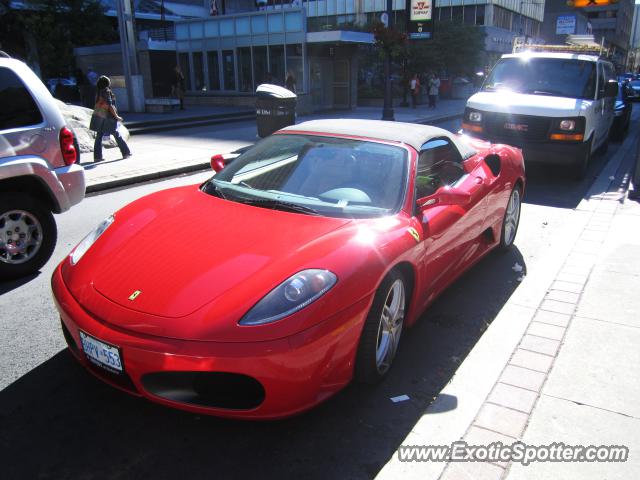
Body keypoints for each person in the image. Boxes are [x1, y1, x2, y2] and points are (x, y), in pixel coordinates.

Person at [89, 75, 131, 162]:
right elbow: (110, 105)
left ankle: (97, 157)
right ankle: (125, 152)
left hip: (99, 116)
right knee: (116, 134)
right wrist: (116, 116)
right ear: (107, 83)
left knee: (99, 136)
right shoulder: (106, 91)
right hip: (108, 117)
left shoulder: (98, 92)